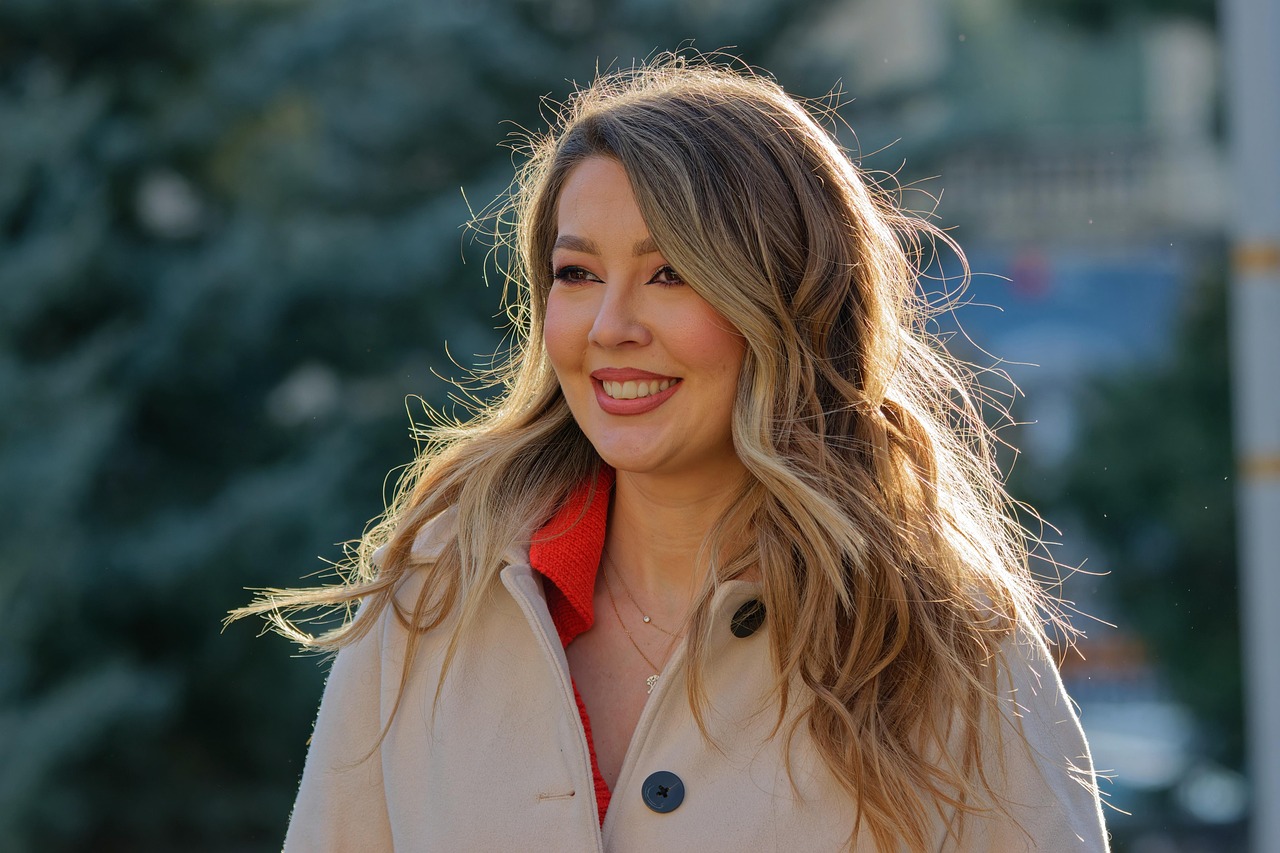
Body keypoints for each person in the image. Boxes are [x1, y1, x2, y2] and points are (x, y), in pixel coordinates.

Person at [237, 54, 1109, 851]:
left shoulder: (940, 635)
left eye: (671, 274)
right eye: (577, 275)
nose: (611, 328)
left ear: (784, 303)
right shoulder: (431, 595)